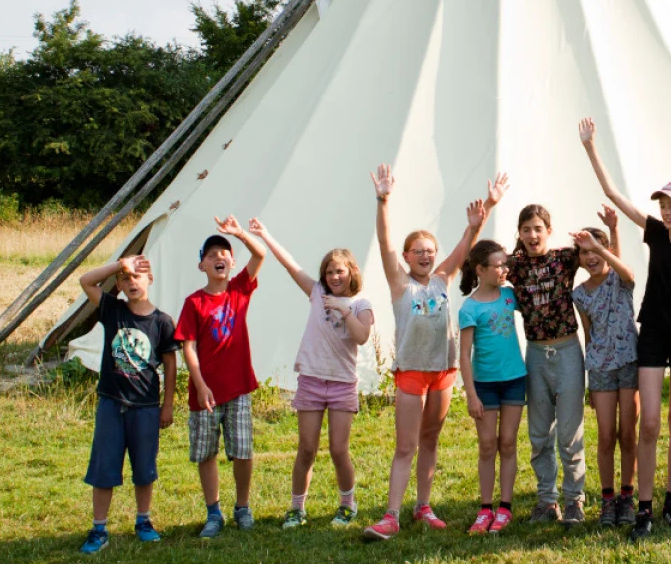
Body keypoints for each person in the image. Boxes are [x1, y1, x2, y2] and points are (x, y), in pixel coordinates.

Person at [574, 117, 671, 539]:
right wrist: (590, 147)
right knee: (651, 422)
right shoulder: (655, 233)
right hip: (653, 333)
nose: (665, 210)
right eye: (662, 204)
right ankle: (643, 508)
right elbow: (613, 194)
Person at [362, 166, 506, 541]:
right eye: (418, 252)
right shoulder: (400, 284)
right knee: (406, 444)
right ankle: (391, 514)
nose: (425, 256)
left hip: (443, 371)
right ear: (408, 257)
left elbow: (467, 241)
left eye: (430, 250)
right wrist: (383, 200)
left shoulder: (443, 278)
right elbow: (384, 242)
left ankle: (423, 506)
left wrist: (484, 212)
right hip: (411, 371)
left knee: (430, 439)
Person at [249, 221, 376, 528]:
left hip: (342, 383)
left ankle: (348, 504)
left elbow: (361, 337)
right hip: (311, 379)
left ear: (352, 273)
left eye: (340, 271)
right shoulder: (316, 292)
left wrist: (344, 310)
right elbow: (290, 265)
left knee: (338, 449)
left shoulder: (361, 303)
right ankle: (296, 508)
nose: (334, 276)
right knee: (306, 448)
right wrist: (265, 235)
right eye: (329, 271)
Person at [77, 255, 178, 554]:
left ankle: (143, 521)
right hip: (111, 403)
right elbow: (85, 281)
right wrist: (120, 265)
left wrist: (167, 404)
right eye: (126, 278)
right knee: (104, 466)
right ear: (118, 285)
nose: (133, 282)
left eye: (138, 276)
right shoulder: (113, 310)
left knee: (144, 467)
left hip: (145, 406)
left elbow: (171, 365)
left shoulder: (162, 321)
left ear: (150, 280)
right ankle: (99, 527)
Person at [175, 216, 268, 539]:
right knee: (207, 453)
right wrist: (199, 385)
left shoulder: (240, 289)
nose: (218, 257)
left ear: (231, 262)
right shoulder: (194, 303)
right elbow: (189, 347)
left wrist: (239, 233)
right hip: (206, 393)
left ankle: (242, 507)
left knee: (242, 450)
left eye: (224, 253)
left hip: (239, 387)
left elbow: (260, 255)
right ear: (201, 265)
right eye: (211, 254)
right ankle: (213, 512)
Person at [507, 202, 591, 525]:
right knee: (540, 433)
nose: (532, 235)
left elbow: (601, 259)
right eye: (526, 229)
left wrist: (600, 236)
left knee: (570, 433)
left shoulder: (564, 258)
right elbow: (478, 262)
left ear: (548, 231)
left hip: (568, 350)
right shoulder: (514, 266)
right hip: (536, 355)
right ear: (520, 233)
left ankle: (575, 499)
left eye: (537, 228)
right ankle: (547, 500)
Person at [567, 214, 637, 528]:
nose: (591, 257)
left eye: (596, 250)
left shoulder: (620, 280)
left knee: (628, 432)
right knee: (607, 435)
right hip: (600, 369)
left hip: (629, 364)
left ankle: (627, 496)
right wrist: (588, 382)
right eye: (584, 251)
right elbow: (587, 331)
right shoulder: (579, 294)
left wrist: (613, 229)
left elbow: (624, 268)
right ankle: (607, 499)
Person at [457, 240, 527, 535]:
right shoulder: (469, 307)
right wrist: (471, 395)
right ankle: (485, 508)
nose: (503, 269)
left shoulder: (510, 297)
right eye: (497, 265)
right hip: (484, 386)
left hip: (514, 380)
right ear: (480, 269)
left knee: (508, 443)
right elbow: (464, 355)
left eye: (505, 264)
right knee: (487, 446)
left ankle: (505, 507)